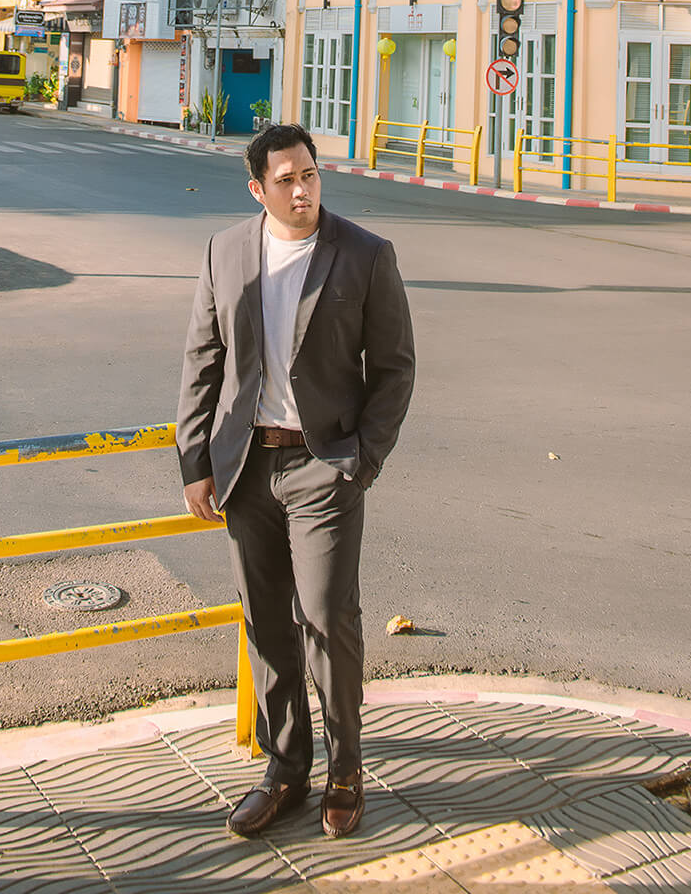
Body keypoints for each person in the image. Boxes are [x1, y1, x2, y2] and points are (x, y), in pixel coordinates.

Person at [177, 122, 415, 843]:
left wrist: (360, 460)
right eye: (285, 179)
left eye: (309, 174)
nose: (302, 188)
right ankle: (285, 769)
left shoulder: (365, 254)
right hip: (246, 467)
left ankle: (347, 770)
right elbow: (203, 356)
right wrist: (196, 462)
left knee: (327, 619)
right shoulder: (226, 251)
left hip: (323, 467)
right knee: (266, 623)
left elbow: (396, 368)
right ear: (259, 188)